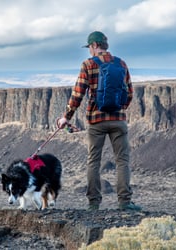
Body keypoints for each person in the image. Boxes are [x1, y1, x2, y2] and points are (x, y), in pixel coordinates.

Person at [57, 31, 141, 211]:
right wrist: (119, 108)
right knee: (122, 161)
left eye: (89, 47)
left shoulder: (88, 64)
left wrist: (67, 117)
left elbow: (78, 94)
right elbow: (130, 92)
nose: (89, 51)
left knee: (94, 161)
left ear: (95, 45)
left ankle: (94, 203)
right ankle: (124, 202)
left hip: (96, 120)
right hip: (118, 120)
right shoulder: (121, 63)